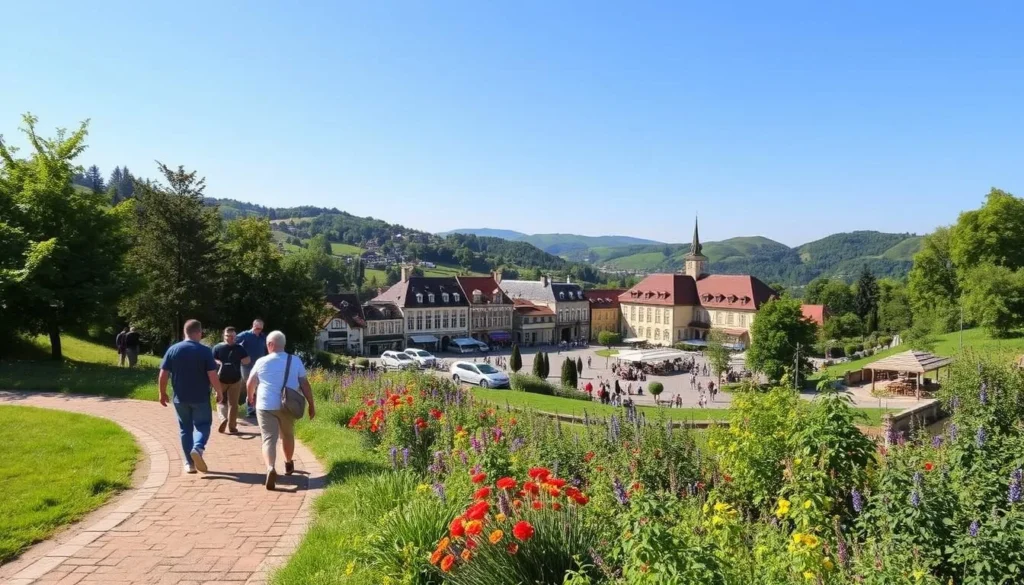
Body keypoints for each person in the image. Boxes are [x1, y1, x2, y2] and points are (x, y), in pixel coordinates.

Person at [247, 330, 316, 490]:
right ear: (283, 345)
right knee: (287, 435)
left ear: (270, 345)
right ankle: (288, 463)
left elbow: (250, 382)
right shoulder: (295, 360)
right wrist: (311, 404)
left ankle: (270, 467)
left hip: (265, 405)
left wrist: (250, 397)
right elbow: (304, 383)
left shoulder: (261, 361)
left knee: (268, 438)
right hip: (287, 404)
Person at [159, 320, 222, 474]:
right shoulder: (205, 351)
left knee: (185, 429)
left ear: (184, 332)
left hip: (180, 398)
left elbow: (164, 373)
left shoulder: (173, 350)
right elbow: (212, 375)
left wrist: (162, 392)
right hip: (200, 397)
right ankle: (198, 448)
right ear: (199, 332)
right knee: (203, 425)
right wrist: (219, 391)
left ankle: (189, 464)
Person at [213, 327, 251, 434]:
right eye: (228, 336)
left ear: (235, 337)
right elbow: (211, 359)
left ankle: (232, 426)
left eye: (233, 336)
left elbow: (247, 360)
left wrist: (244, 359)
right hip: (220, 379)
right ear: (224, 336)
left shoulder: (239, 348)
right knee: (219, 400)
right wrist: (218, 362)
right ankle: (223, 419)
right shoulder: (217, 347)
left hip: (236, 380)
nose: (230, 338)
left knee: (234, 404)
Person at [236, 319, 267, 417]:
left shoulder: (263, 337)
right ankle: (250, 410)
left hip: (260, 366)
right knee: (251, 385)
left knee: (259, 386)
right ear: (253, 326)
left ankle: (257, 408)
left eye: (260, 329)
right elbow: (233, 343)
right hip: (247, 366)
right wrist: (242, 356)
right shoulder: (245, 335)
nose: (259, 330)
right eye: (257, 328)